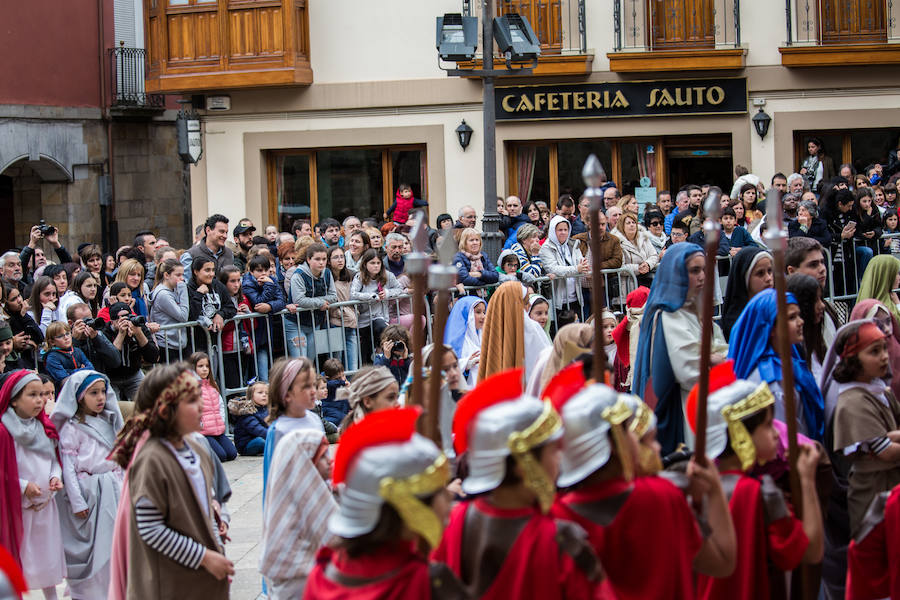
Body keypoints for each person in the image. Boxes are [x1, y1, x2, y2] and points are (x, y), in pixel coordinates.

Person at [551, 382, 737, 600]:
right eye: (627, 430)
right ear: (615, 442)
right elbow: (722, 561)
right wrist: (714, 489)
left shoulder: (554, 518)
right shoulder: (663, 497)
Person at [433, 369, 601, 599]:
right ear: (523, 464)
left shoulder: (451, 523)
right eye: (554, 451)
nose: (560, 458)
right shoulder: (561, 540)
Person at [691, 366, 824, 600]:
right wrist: (807, 479)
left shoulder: (697, 491)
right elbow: (811, 551)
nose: (776, 434)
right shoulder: (762, 494)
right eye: (768, 425)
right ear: (739, 434)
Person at [304, 407, 464, 600]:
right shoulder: (424, 582)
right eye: (438, 489)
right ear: (406, 505)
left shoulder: (321, 574)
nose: (448, 497)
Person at [107, 364, 234, 598]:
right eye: (192, 401)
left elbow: (205, 500)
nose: (202, 406)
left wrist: (216, 526)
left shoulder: (195, 446)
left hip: (199, 579)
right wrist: (203, 557)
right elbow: (150, 527)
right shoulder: (153, 459)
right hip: (170, 583)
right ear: (165, 411)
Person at [632, 243, 728, 454]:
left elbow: (722, 350)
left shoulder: (696, 312)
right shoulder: (668, 316)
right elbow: (691, 371)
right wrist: (717, 360)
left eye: (704, 269)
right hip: (685, 410)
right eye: (694, 271)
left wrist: (716, 359)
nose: (702, 276)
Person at [50, 371, 124, 599]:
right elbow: (69, 467)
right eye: (93, 393)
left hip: (113, 488)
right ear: (80, 397)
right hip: (90, 492)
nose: (101, 397)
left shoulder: (109, 421)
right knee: (96, 549)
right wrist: (77, 500)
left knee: (115, 546)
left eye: (103, 391)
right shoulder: (71, 427)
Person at [828, 320, 900, 533]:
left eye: (884, 348)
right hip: (873, 494)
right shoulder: (853, 402)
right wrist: (889, 439)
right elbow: (884, 450)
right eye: (874, 351)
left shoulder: (879, 390)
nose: (884, 356)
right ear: (853, 360)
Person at [0, 371, 66, 599]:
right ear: (14, 398)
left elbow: (54, 460)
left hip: (45, 506)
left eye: (42, 395)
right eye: (33, 395)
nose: (41, 400)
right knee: (22, 558)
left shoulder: (44, 427)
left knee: (48, 557)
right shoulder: (4, 431)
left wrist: (54, 477)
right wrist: (23, 486)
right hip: (18, 509)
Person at [728, 288, 825, 443]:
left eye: (798, 315)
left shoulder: (792, 361)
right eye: (792, 317)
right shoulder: (770, 381)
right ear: (771, 328)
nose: (801, 322)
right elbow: (781, 437)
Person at [260, 428, 336, 599]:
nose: (329, 461)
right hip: (297, 583)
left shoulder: (316, 489)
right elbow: (333, 533)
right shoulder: (303, 500)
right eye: (322, 457)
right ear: (305, 463)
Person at [262, 357, 323, 498]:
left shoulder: (314, 420)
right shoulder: (279, 430)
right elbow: (272, 479)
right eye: (306, 387)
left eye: (314, 385)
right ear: (287, 394)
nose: (313, 391)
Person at [479, 281, 552, 384]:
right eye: (526, 302)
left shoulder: (491, 328)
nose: (529, 305)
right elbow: (546, 362)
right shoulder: (530, 327)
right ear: (516, 304)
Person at [352, 248, 405, 364]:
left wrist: (388, 293)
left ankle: (396, 357)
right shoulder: (359, 277)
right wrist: (371, 296)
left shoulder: (388, 275)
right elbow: (353, 294)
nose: (376, 266)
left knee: (384, 331)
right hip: (363, 321)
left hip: (380, 317)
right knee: (365, 354)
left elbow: (399, 289)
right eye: (372, 263)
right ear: (365, 264)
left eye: (378, 263)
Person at [102, 302, 160, 402]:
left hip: (133, 374)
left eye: (127, 316)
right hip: (111, 377)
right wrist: (121, 334)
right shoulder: (105, 332)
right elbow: (110, 360)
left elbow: (153, 357)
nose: (125, 321)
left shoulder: (138, 327)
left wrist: (138, 333)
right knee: (115, 409)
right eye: (120, 318)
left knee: (146, 404)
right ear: (112, 321)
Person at [242, 255, 286, 383]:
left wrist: (269, 307)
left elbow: (281, 301)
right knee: (260, 374)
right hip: (255, 333)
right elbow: (258, 302)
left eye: (266, 270)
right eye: (259, 271)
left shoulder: (271, 280)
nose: (264, 273)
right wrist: (269, 286)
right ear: (251, 271)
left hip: (268, 331)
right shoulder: (248, 284)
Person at [290, 242, 337, 362]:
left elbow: (333, 296)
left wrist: (316, 303)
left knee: (310, 360)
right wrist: (320, 303)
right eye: (317, 259)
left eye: (324, 259)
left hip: (315, 322)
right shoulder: (298, 275)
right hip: (296, 323)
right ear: (308, 259)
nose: (321, 262)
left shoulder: (327, 273)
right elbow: (299, 300)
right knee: (300, 361)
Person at [189, 352, 237, 462]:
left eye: (207, 366)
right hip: (203, 433)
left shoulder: (212, 386)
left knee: (232, 453)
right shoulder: (191, 389)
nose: (205, 369)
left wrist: (221, 421)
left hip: (217, 430)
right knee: (221, 456)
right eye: (200, 366)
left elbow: (220, 406)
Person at [719, 247, 774, 341]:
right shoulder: (738, 323)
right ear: (744, 277)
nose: (768, 278)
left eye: (770, 271)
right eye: (760, 273)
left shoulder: (778, 307)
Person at [187, 255, 238, 355]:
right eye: (207, 270)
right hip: (196, 344)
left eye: (213, 270)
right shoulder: (188, 288)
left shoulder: (217, 285)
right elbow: (191, 315)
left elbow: (231, 308)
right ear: (196, 272)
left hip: (216, 342)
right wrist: (199, 294)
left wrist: (220, 314)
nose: (211, 274)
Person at [540, 216, 588, 320]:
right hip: (559, 301)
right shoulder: (546, 248)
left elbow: (581, 263)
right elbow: (554, 269)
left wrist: (583, 265)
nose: (563, 233)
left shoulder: (573, 244)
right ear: (553, 231)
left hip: (576, 297)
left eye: (565, 230)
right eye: (560, 230)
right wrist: (576, 269)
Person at [787, 273, 829, 380]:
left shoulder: (815, 343)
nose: (822, 305)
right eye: (815, 301)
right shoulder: (791, 357)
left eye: (821, 299)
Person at [326, 246, 359, 370]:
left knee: (353, 362)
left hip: (350, 321)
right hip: (335, 322)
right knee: (337, 362)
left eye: (342, 257)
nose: (340, 260)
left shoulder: (350, 275)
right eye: (336, 257)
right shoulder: (326, 277)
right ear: (328, 261)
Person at [444, 296, 486, 388]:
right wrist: (466, 363)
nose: (483, 316)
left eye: (484, 312)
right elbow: (444, 370)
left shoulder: (482, 336)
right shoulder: (455, 341)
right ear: (467, 314)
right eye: (478, 312)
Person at [181, 214, 235, 283]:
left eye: (226, 232)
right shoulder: (191, 255)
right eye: (221, 232)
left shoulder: (229, 254)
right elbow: (185, 284)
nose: (225, 236)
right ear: (208, 230)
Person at [612, 211, 659, 290]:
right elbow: (620, 266)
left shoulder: (644, 237)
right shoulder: (616, 241)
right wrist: (638, 268)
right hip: (627, 286)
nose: (632, 225)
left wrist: (648, 264)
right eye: (628, 223)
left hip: (646, 282)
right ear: (621, 226)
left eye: (633, 222)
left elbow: (654, 255)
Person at [42, 321, 93, 387]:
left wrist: (69, 372)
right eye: (60, 336)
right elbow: (64, 379)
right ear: (52, 342)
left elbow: (91, 368)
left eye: (67, 334)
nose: (66, 338)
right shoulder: (52, 357)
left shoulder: (77, 351)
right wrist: (82, 370)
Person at [228, 381, 269, 456]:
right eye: (260, 393)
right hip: (246, 445)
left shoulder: (266, 409)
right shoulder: (246, 412)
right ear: (251, 395)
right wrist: (274, 435)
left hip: (263, 436)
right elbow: (257, 429)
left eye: (267, 393)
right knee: (261, 442)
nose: (264, 395)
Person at [454, 228, 499, 295]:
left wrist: (480, 274)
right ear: (464, 243)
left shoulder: (483, 256)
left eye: (477, 240)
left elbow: (495, 276)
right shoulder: (458, 257)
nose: (475, 243)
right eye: (471, 240)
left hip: (484, 295)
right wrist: (486, 282)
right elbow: (464, 279)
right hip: (467, 297)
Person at [858, 254, 900, 323]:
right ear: (886, 275)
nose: (899, 277)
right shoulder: (880, 311)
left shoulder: (863, 303)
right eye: (897, 273)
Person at [320, 358, 350, 427]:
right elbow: (330, 384)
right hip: (330, 413)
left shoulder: (343, 383)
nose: (343, 379)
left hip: (342, 412)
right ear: (327, 377)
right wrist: (342, 383)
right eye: (338, 378)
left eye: (343, 375)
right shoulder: (325, 383)